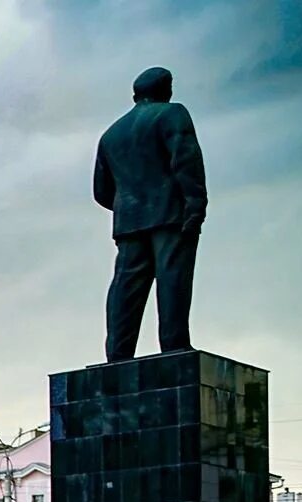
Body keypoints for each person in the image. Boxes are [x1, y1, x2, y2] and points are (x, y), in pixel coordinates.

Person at [94, 67, 207, 363]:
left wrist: (129, 205)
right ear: (166, 89)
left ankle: (117, 354)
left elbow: (101, 191)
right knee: (173, 279)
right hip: (171, 215)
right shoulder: (172, 114)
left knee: (125, 287)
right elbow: (186, 160)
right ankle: (174, 347)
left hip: (129, 222)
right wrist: (195, 205)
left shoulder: (111, 134)